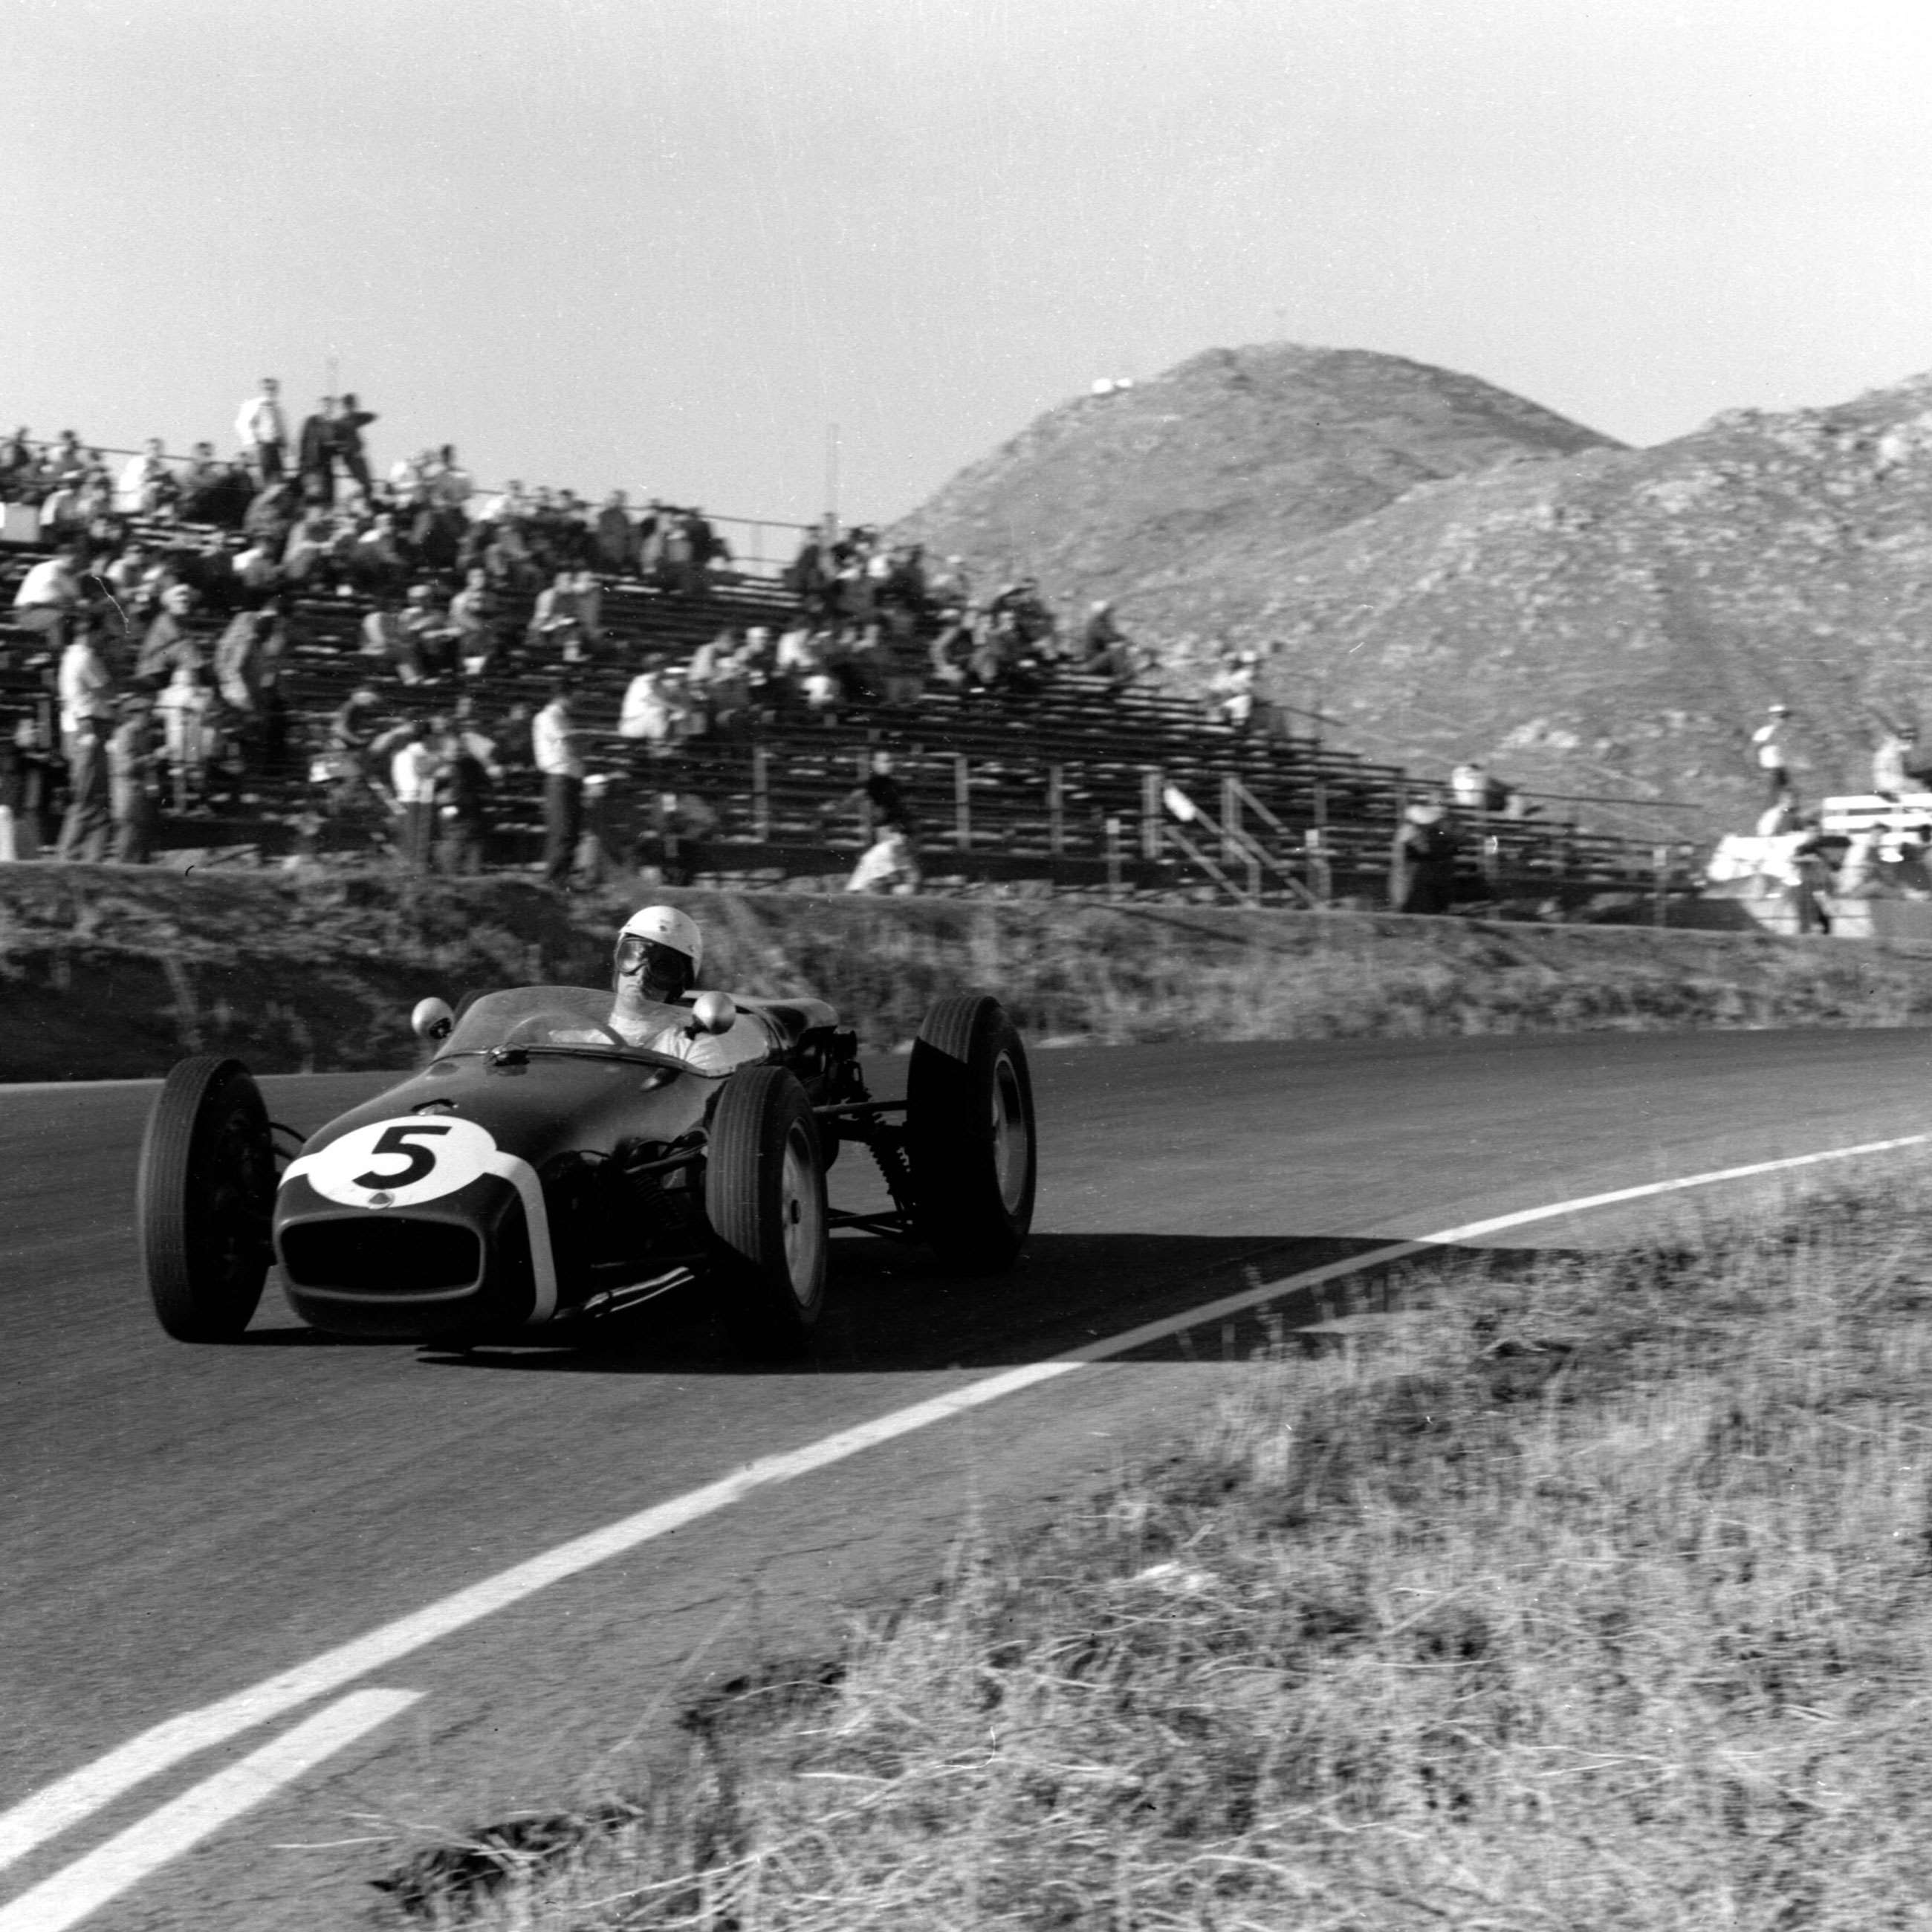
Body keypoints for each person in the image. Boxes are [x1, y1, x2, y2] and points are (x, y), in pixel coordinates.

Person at [600, 905, 769, 1072]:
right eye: (632, 956)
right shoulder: (579, 1035)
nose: (642, 975)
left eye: (663, 968)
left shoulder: (692, 1051)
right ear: (617, 960)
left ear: (681, 982)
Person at [533, 684, 583, 889]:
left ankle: (562, 880)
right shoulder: (549, 716)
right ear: (563, 697)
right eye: (574, 697)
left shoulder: (562, 717)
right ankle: (551, 881)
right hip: (559, 777)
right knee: (562, 831)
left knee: (570, 832)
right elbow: (569, 743)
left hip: (569, 777)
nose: (577, 702)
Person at [1389, 799, 1459, 915]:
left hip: (1413, 883)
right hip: (1413, 884)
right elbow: (1424, 853)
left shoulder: (1409, 832)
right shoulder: (1411, 834)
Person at [233, 377, 290, 484]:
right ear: (261, 389)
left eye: (273, 388)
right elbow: (242, 424)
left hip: (276, 447)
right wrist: (254, 442)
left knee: (278, 477)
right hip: (263, 447)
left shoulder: (278, 408)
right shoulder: (254, 405)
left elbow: (283, 429)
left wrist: (286, 446)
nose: (270, 391)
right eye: (267, 388)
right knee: (266, 477)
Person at [1752, 704, 1794, 804]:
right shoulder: (1764, 733)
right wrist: (1758, 771)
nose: (1784, 719)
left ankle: (1786, 816)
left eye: (1785, 717)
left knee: (1787, 799)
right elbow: (1752, 752)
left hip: (1782, 770)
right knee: (1772, 799)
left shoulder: (1786, 733)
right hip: (1770, 772)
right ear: (1772, 718)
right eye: (1781, 716)